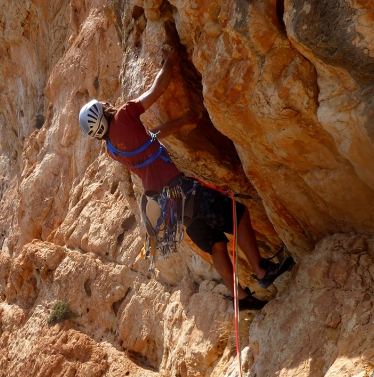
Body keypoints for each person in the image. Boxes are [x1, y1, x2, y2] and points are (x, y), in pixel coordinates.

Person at [78, 45, 294, 310]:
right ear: (102, 113)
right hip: (182, 190)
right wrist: (169, 62)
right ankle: (262, 271)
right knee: (238, 214)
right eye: (102, 106)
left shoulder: (112, 150)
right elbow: (158, 89)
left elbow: (150, 140)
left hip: (170, 208)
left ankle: (240, 297)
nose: (107, 104)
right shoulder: (124, 115)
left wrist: (182, 121)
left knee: (216, 244)